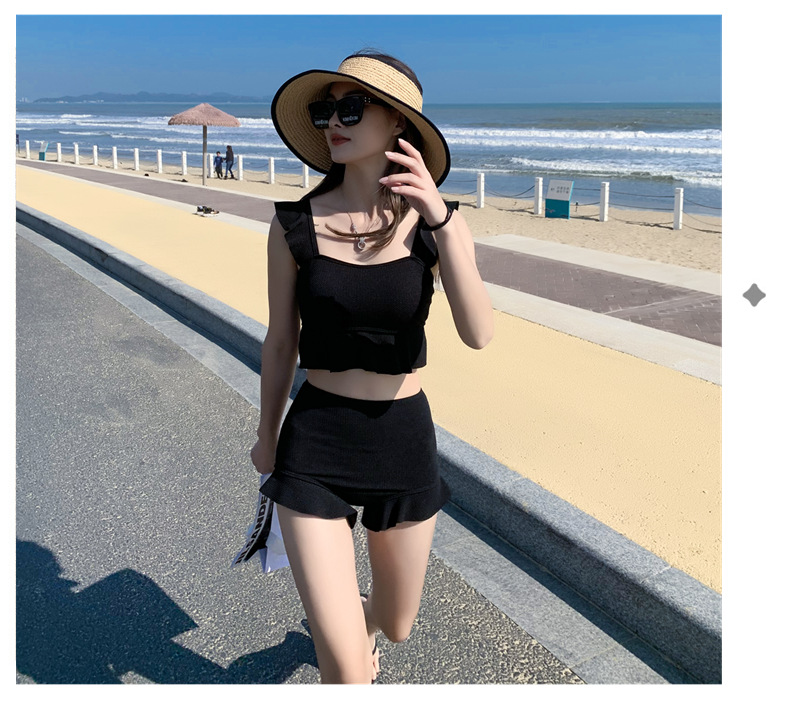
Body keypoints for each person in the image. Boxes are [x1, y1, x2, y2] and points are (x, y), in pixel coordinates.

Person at [252, 49, 494, 684]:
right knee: (348, 673)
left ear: (398, 123)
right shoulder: (293, 225)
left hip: (401, 439)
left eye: (353, 108)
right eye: (325, 110)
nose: (334, 121)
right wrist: (266, 434)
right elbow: (280, 342)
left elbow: (479, 334)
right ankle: (346, 652)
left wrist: (441, 222)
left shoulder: (438, 225)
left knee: (396, 623)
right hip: (316, 438)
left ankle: (360, 626)